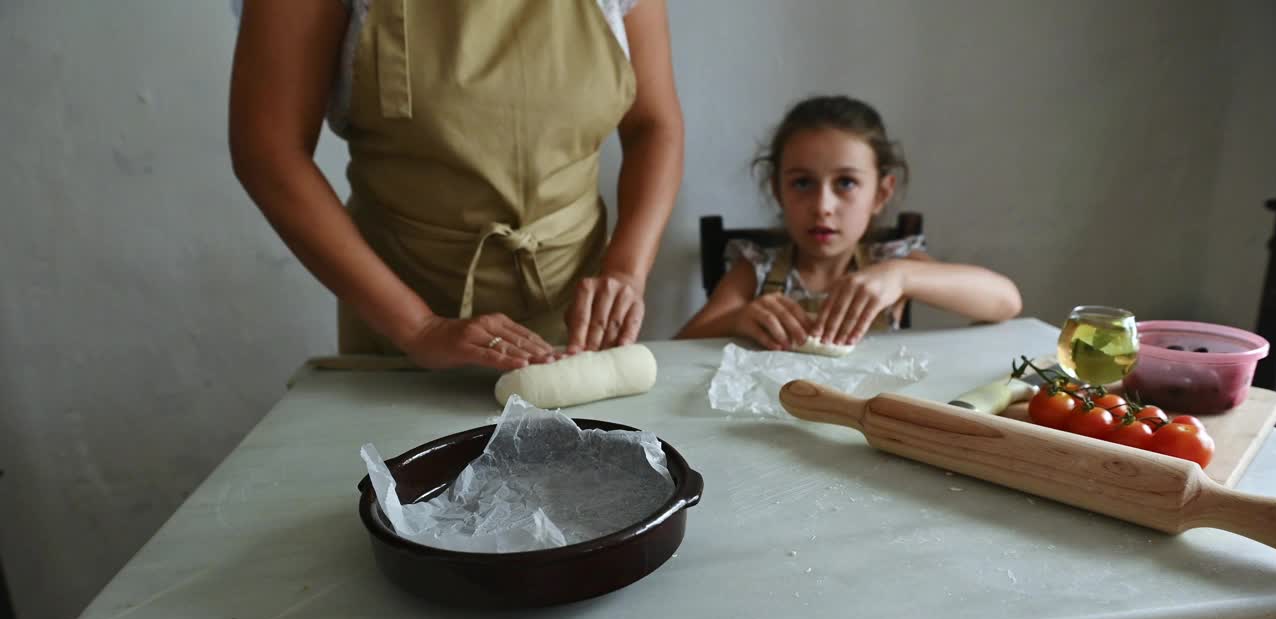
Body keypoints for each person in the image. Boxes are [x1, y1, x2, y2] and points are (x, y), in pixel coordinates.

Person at [230, 0, 683, 371]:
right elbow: (269, 151)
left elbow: (654, 125)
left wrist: (626, 270)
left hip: (576, 327)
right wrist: (418, 328)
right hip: (400, 324)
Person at [677, 95, 1021, 351]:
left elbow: (1006, 301)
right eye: (802, 183)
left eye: (845, 183)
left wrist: (903, 276)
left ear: (881, 194)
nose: (823, 207)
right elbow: (678, 346)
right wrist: (738, 319)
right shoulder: (757, 268)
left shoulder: (892, 262)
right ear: (777, 190)